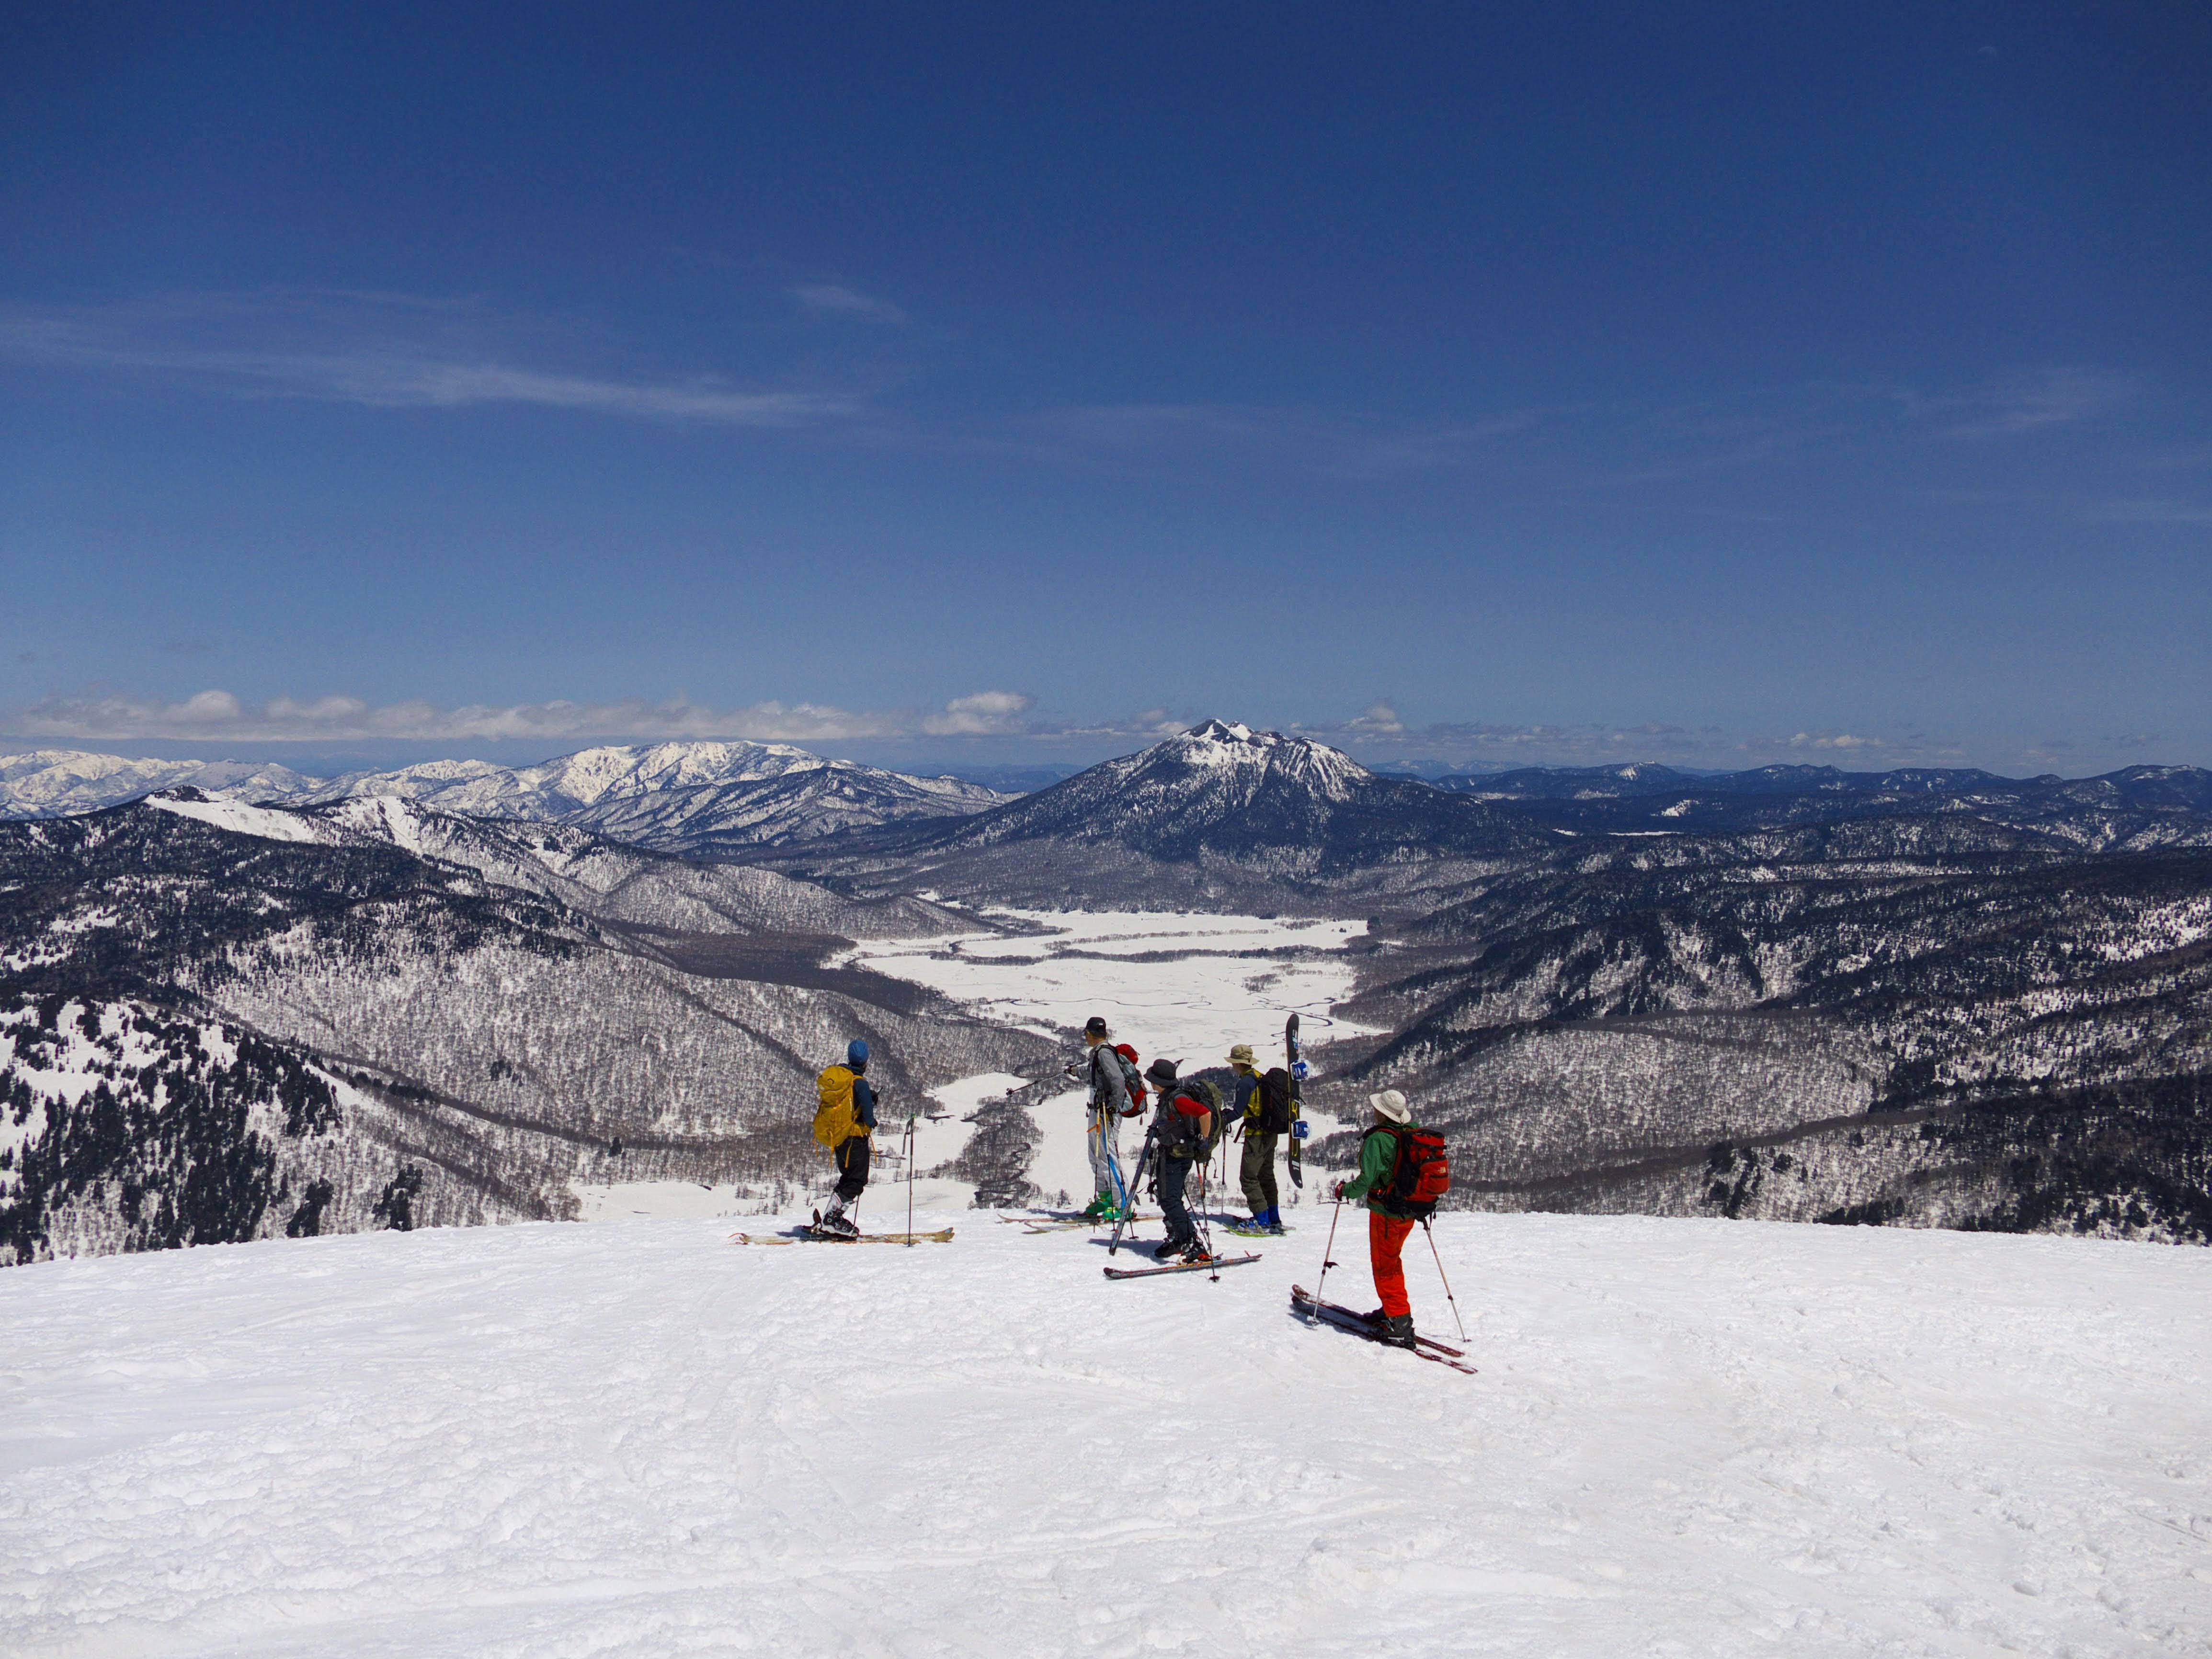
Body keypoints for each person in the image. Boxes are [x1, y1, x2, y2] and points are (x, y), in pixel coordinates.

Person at [1334, 1088, 1421, 1346]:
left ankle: (1399, 1323)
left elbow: (1366, 1180)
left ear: (1381, 1113)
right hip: (1409, 1211)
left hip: (1387, 1213)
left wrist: (1345, 1191)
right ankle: (1391, 1310)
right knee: (1392, 1262)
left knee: (1385, 1266)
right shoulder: (1410, 1133)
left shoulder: (1379, 1139)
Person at [1146, 1058, 1222, 1261]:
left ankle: (1192, 1242)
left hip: (1177, 1155)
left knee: (1169, 1200)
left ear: (1158, 1082)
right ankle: (1179, 1237)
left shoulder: (1177, 1099)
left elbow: (1204, 1113)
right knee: (1169, 1197)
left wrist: (1204, 1140)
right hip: (1174, 1153)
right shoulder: (1169, 1096)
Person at [810, 1039, 878, 1238]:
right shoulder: (860, 1084)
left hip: (839, 1139)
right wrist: (873, 1116)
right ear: (865, 1062)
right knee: (857, 1181)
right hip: (855, 1140)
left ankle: (831, 1218)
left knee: (848, 1179)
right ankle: (833, 1220)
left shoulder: (842, 1079)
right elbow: (868, 1118)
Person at [1076, 1016, 1136, 1220]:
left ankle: (1123, 1203)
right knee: (1096, 1154)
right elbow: (1095, 1076)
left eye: (1086, 1034)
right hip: (1097, 1109)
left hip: (1106, 1111)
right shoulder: (1099, 1053)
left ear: (1090, 1034)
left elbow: (1118, 1079)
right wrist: (1076, 1072)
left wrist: (1113, 1106)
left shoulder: (1104, 1053)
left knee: (1108, 1156)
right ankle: (1106, 1196)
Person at [1226, 1042, 1286, 1233]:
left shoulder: (1245, 1083)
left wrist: (1218, 1118)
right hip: (1271, 1133)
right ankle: (1273, 1217)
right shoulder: (1260, 1077)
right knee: (1266, 1176)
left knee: (1249, 1178)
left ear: (1237, 1063)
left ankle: (1262, 1219)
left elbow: (1237, 1112)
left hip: (1256, 1137)